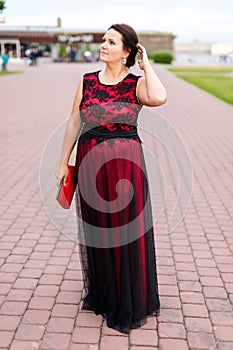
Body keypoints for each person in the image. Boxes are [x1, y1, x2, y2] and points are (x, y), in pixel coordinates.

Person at [56, 23, 167, 334]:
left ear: (127, 51)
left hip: (126, 168)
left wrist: (147, 66)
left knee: (125, 232)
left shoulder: (135, 84)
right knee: (99, 232)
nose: (103, 45)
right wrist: (63, 162)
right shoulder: (87, 81)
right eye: (103, 40)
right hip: (90, 165)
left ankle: (128, 297)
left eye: (111, 41)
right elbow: (73, 122)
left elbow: (158, 97)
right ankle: (105, 295)